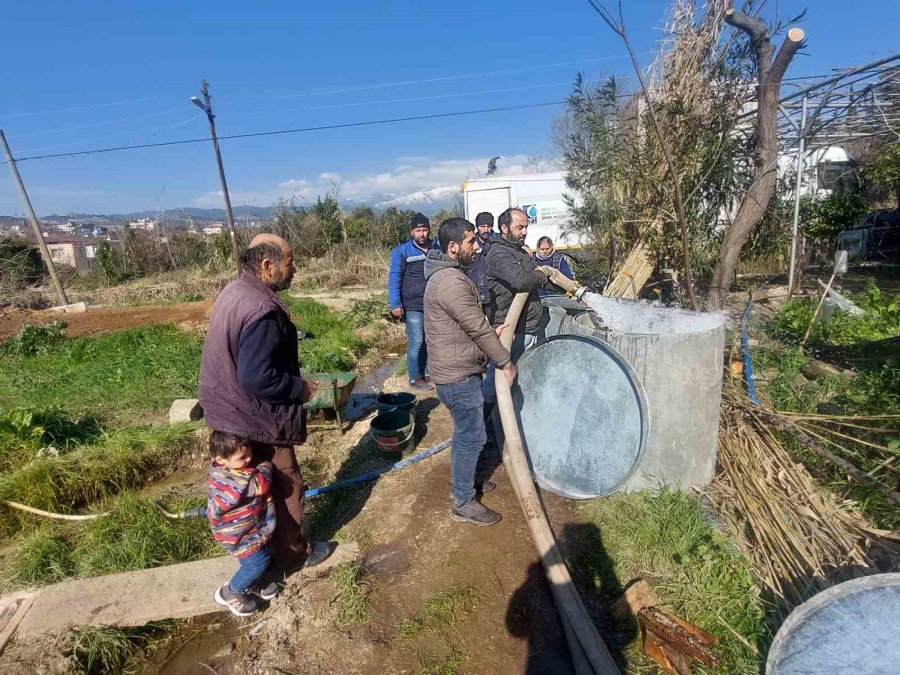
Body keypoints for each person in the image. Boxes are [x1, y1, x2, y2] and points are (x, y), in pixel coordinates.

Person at [199, 233, 335, 577]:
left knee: (251, 489)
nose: (294, 270)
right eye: (290, 263)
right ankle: (292, 555)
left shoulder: (234, 291)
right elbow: (258, 378)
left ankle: (257, 556)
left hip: (227, 409)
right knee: (286, 482)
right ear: (267, 265)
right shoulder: (263, 310)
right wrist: (299, 389)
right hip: (253, 415)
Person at [424, 217, 516, 526]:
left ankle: (468, 480)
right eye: (470, 242)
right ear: (453, 248)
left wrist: (494, 328)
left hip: (460, 369)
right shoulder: (450, 281)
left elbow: (468, 323)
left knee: (468, 432)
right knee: (472, 436)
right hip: (457, 376)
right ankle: (462, 500)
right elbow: (475, 327)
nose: (476, 247)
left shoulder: (449, 275)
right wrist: (504, 360)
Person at [481, 208, 553, 428]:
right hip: (510, 330)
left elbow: (536, 275)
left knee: (521, 379)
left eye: (526, 228)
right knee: (497, 383)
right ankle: (480, 430)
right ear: (504, 228)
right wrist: (542, 274)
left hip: (529, 326)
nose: (524, 232)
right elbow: (522, 279)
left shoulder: (519, 252)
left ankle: (512, 426)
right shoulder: (497, 254)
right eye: (519, 227)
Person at [208, 431, 278, 616]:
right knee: (257, 562)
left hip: (235, 530)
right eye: (242, 458)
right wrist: (264, 465)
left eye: (250, 454)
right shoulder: (237, 480)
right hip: (239, 534)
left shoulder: (220, 470)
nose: (249, 459)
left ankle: (253, 583)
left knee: (258, 555)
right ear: (221, 459)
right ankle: (232, 591)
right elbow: (262, 483)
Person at [388, 212, 434, 392]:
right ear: (411, 232)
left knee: (431, 339)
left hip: (432, 302)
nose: (422, 234)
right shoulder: (402, 251)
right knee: (417, 340)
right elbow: (394, 278)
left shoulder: (435, 248)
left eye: (424, 230)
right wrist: (395, 303)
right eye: (418, 230)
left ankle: (428, 372)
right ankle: (415, 378)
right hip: (412, 304)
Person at [466, 211, 496, 313]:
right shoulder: (470, 243)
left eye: (489, 226)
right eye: (482, 226)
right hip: (475, 292)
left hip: (494, 293)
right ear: (477, 227)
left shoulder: (498, 242)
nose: (486, 230)